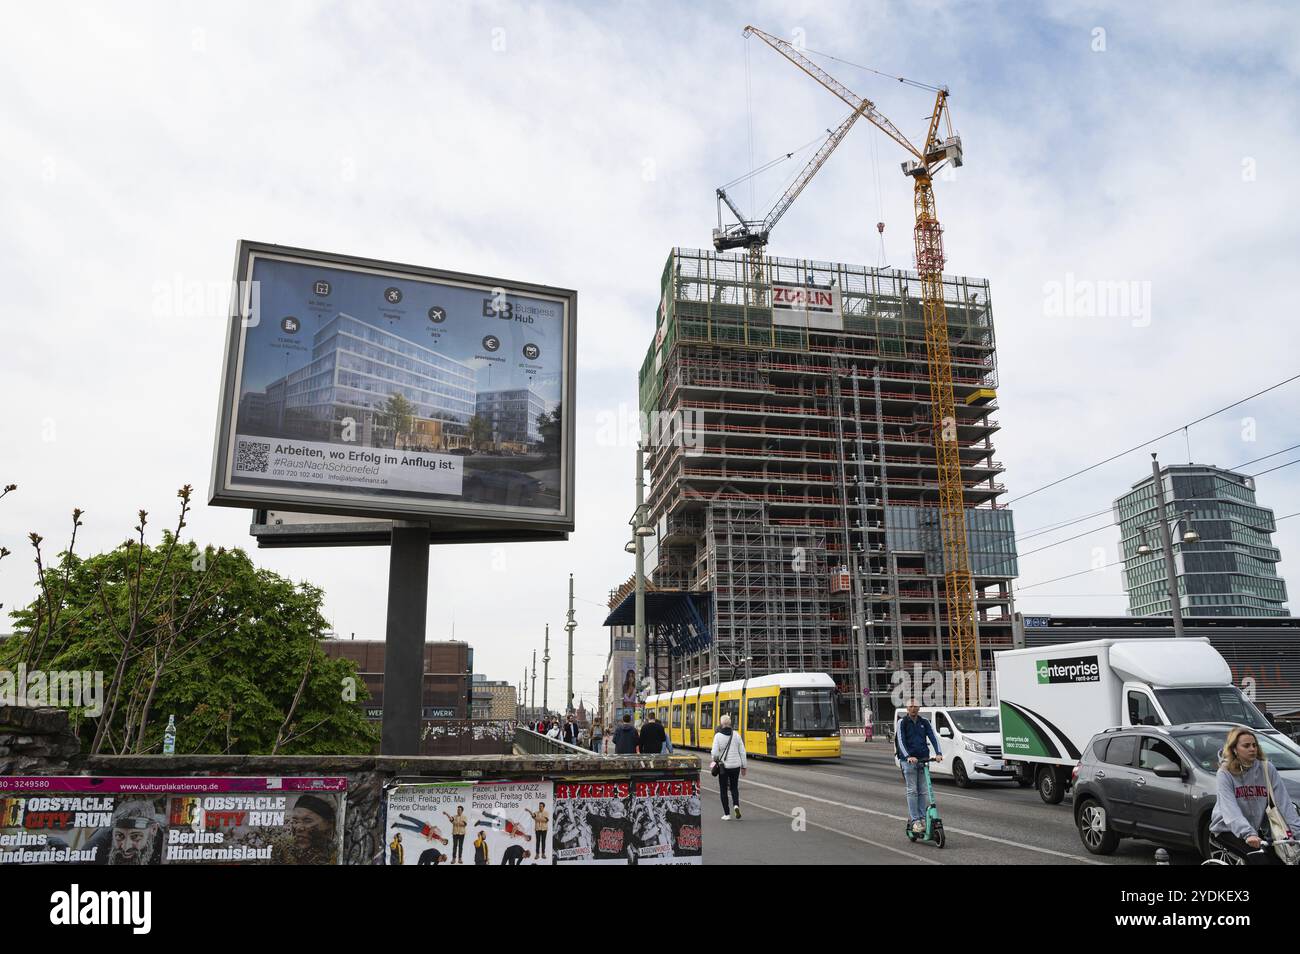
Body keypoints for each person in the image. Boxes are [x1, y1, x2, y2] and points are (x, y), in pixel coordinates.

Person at [1210, 726, 1300, 864]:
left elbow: (1284, 802)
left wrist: (1296, 831)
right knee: (1260, 861)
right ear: (1234, 749)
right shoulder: (1225, 773)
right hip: (1228, 829)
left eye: (1254, 745)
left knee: (1281, 860)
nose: (1252, 749)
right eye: (1246, 746)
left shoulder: (1266, 768)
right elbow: (1230, 809)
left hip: (1255, 829)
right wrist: (1248, 833)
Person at [895, 699, 942, 834]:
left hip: (922, 759)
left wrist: (938, 753)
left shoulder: (924, 722)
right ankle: (915, 820)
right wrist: (908, 756)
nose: (913, 709)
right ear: (907, 708)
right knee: (912, 790)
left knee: (922, 790)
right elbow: (901, 741)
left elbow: (933, 737)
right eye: (911, 706)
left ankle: (922, 818)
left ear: (919, 708)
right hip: (908, 761)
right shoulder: (902, 722)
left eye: (916, 706)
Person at [710, 714, 747, 820]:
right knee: (734, 787)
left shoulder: (717, 736)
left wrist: (715, 760)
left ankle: (727, 814)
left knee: (723, 789)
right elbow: (742, 752)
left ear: (721, 724)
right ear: (730, 723)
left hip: (724, 767)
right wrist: (744, 766)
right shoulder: (736, 735)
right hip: (736, 766)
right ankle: (736, 805)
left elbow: (715, 753)